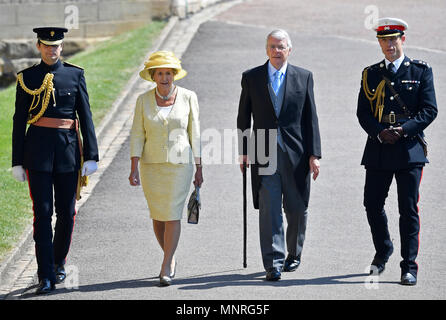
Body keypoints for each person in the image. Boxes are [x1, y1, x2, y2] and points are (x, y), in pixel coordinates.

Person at [11, 27, 99, 294]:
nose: (52, 50)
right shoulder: (27, 78)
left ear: (62, 47)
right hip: (37, 154)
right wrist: (17, 160)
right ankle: (45, 274)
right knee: (43, 214)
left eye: (57, 46)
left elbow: (85, 116)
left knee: (67, 213)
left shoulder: (75, 75)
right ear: (39, 46)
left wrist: (92, 155)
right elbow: (18, 121)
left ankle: (59, 261)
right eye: (47, 46)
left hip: (68, 153)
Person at [357, 18, 437, 286]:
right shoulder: (370, 73)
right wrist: (380, 132)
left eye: (393, 39)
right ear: (379, 43)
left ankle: (409, 266)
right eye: (384, 40)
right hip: (379, 149)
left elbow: (429, 110)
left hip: (409, 150)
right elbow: (363, 112)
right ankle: (383, 249)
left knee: (408, 209)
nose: (389, 45)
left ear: (403, 39)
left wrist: (402, 131)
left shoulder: (421, 71)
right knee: (372, 204)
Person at [237, 29, 321, 281]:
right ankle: (273, 262)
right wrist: (243, 151)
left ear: (289, 50)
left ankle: (293, 254)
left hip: (296, 153)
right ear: (266, 49)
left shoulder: (304, 77)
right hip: (263, 152)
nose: (277, 51)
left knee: (296, 208)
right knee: (269, 208)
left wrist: (314, 155)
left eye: (281, 47)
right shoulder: (251, 77)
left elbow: (311, 118)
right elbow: (244, 116)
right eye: (272, 46)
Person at [128, 51, 202, 287]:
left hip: (180, 166)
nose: (164, 77)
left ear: (174, 75)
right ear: (152, 76)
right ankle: (169, 255)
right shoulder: (143, 100)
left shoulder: (189, 97)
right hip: (151, 166)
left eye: (168, 73)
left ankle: (166, 263)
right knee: (158, 216)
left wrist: (200, 168)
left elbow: (196, 134)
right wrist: (133, 166)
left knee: (172, 214)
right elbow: (137, 134)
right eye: (159, 73)